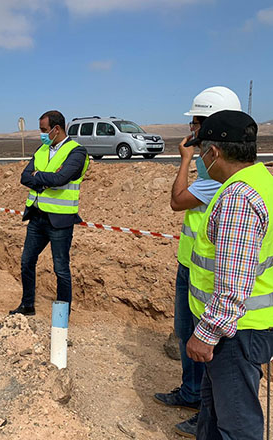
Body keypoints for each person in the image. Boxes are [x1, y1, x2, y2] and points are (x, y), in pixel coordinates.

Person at [154, 86, 242, 437]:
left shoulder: (216, 181)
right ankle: (192, 395)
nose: (190, 132)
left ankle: (203, 409)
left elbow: (177, 201)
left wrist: (185, 160)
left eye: (195, 125)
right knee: (185, 332)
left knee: (204, 345)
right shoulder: (213, 174)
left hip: (207, 275)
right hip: (191, 263)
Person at [183, 110, 272, 440]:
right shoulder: (262, 182)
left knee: (237, 424)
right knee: (215, 409)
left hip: (235, 333)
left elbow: (232, 281)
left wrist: (207, 332)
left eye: (201, 151)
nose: (199, 159)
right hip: (244, 328)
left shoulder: (238, 197)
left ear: (214, 152)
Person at [10, 110, 89, 315]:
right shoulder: (42, 150)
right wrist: (44, 176)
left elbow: (60, 179)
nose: (41, 134)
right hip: (37, 217)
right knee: (27, 261)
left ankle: (62, 315)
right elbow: (24, 177)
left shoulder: (77, 152)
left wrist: (40, 176)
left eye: (44, 130)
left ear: (56, 129)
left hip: (60, 221)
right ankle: (27, 305)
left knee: (61, 269)